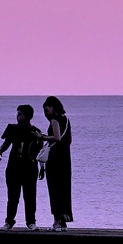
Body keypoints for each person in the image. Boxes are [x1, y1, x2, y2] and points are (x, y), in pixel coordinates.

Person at [0, 104, 45, 229]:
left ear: (27, 116)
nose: (17, 116)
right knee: (12, 197)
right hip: (13, 167)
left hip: (30, 167)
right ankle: (9, 221)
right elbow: (6, 143)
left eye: (20, 114)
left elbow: (40, 151)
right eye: (17, 114)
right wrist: (0, 151)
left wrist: (42, 167)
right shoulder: (12, 129)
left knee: (30, 197)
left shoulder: (35, 132)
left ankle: (31, 222)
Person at [38, 96, 73, 230]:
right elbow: (69, 139)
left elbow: (57, 138)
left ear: (53, 108)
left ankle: (57, 221)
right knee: (64, 189)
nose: (47, 112)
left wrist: (41, 137)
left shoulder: (54, 120)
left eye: (48, 109)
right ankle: (63, 221)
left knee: (54, 189)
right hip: (65, 158)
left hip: (55, 158)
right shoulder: (66, 120)